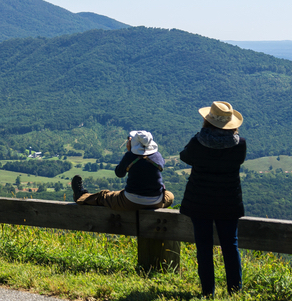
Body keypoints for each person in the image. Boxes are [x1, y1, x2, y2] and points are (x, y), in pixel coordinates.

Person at [180, 101, 246, 297]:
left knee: (204, 246)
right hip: (229, 202)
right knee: (230, 245)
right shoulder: (240, 144)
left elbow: (185, 156)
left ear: (207, 121)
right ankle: (235, 290)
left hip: (199, 201)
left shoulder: (197, 142)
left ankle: (208, 291)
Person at [72, 130, 174, 211]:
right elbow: (157, 165)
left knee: (103, 196)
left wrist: (130, 151)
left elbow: (119, 173)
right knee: (170, 195)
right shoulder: (157, 156)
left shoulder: (130, 156)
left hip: (130, 201)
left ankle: (81, 196)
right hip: (156, 201)